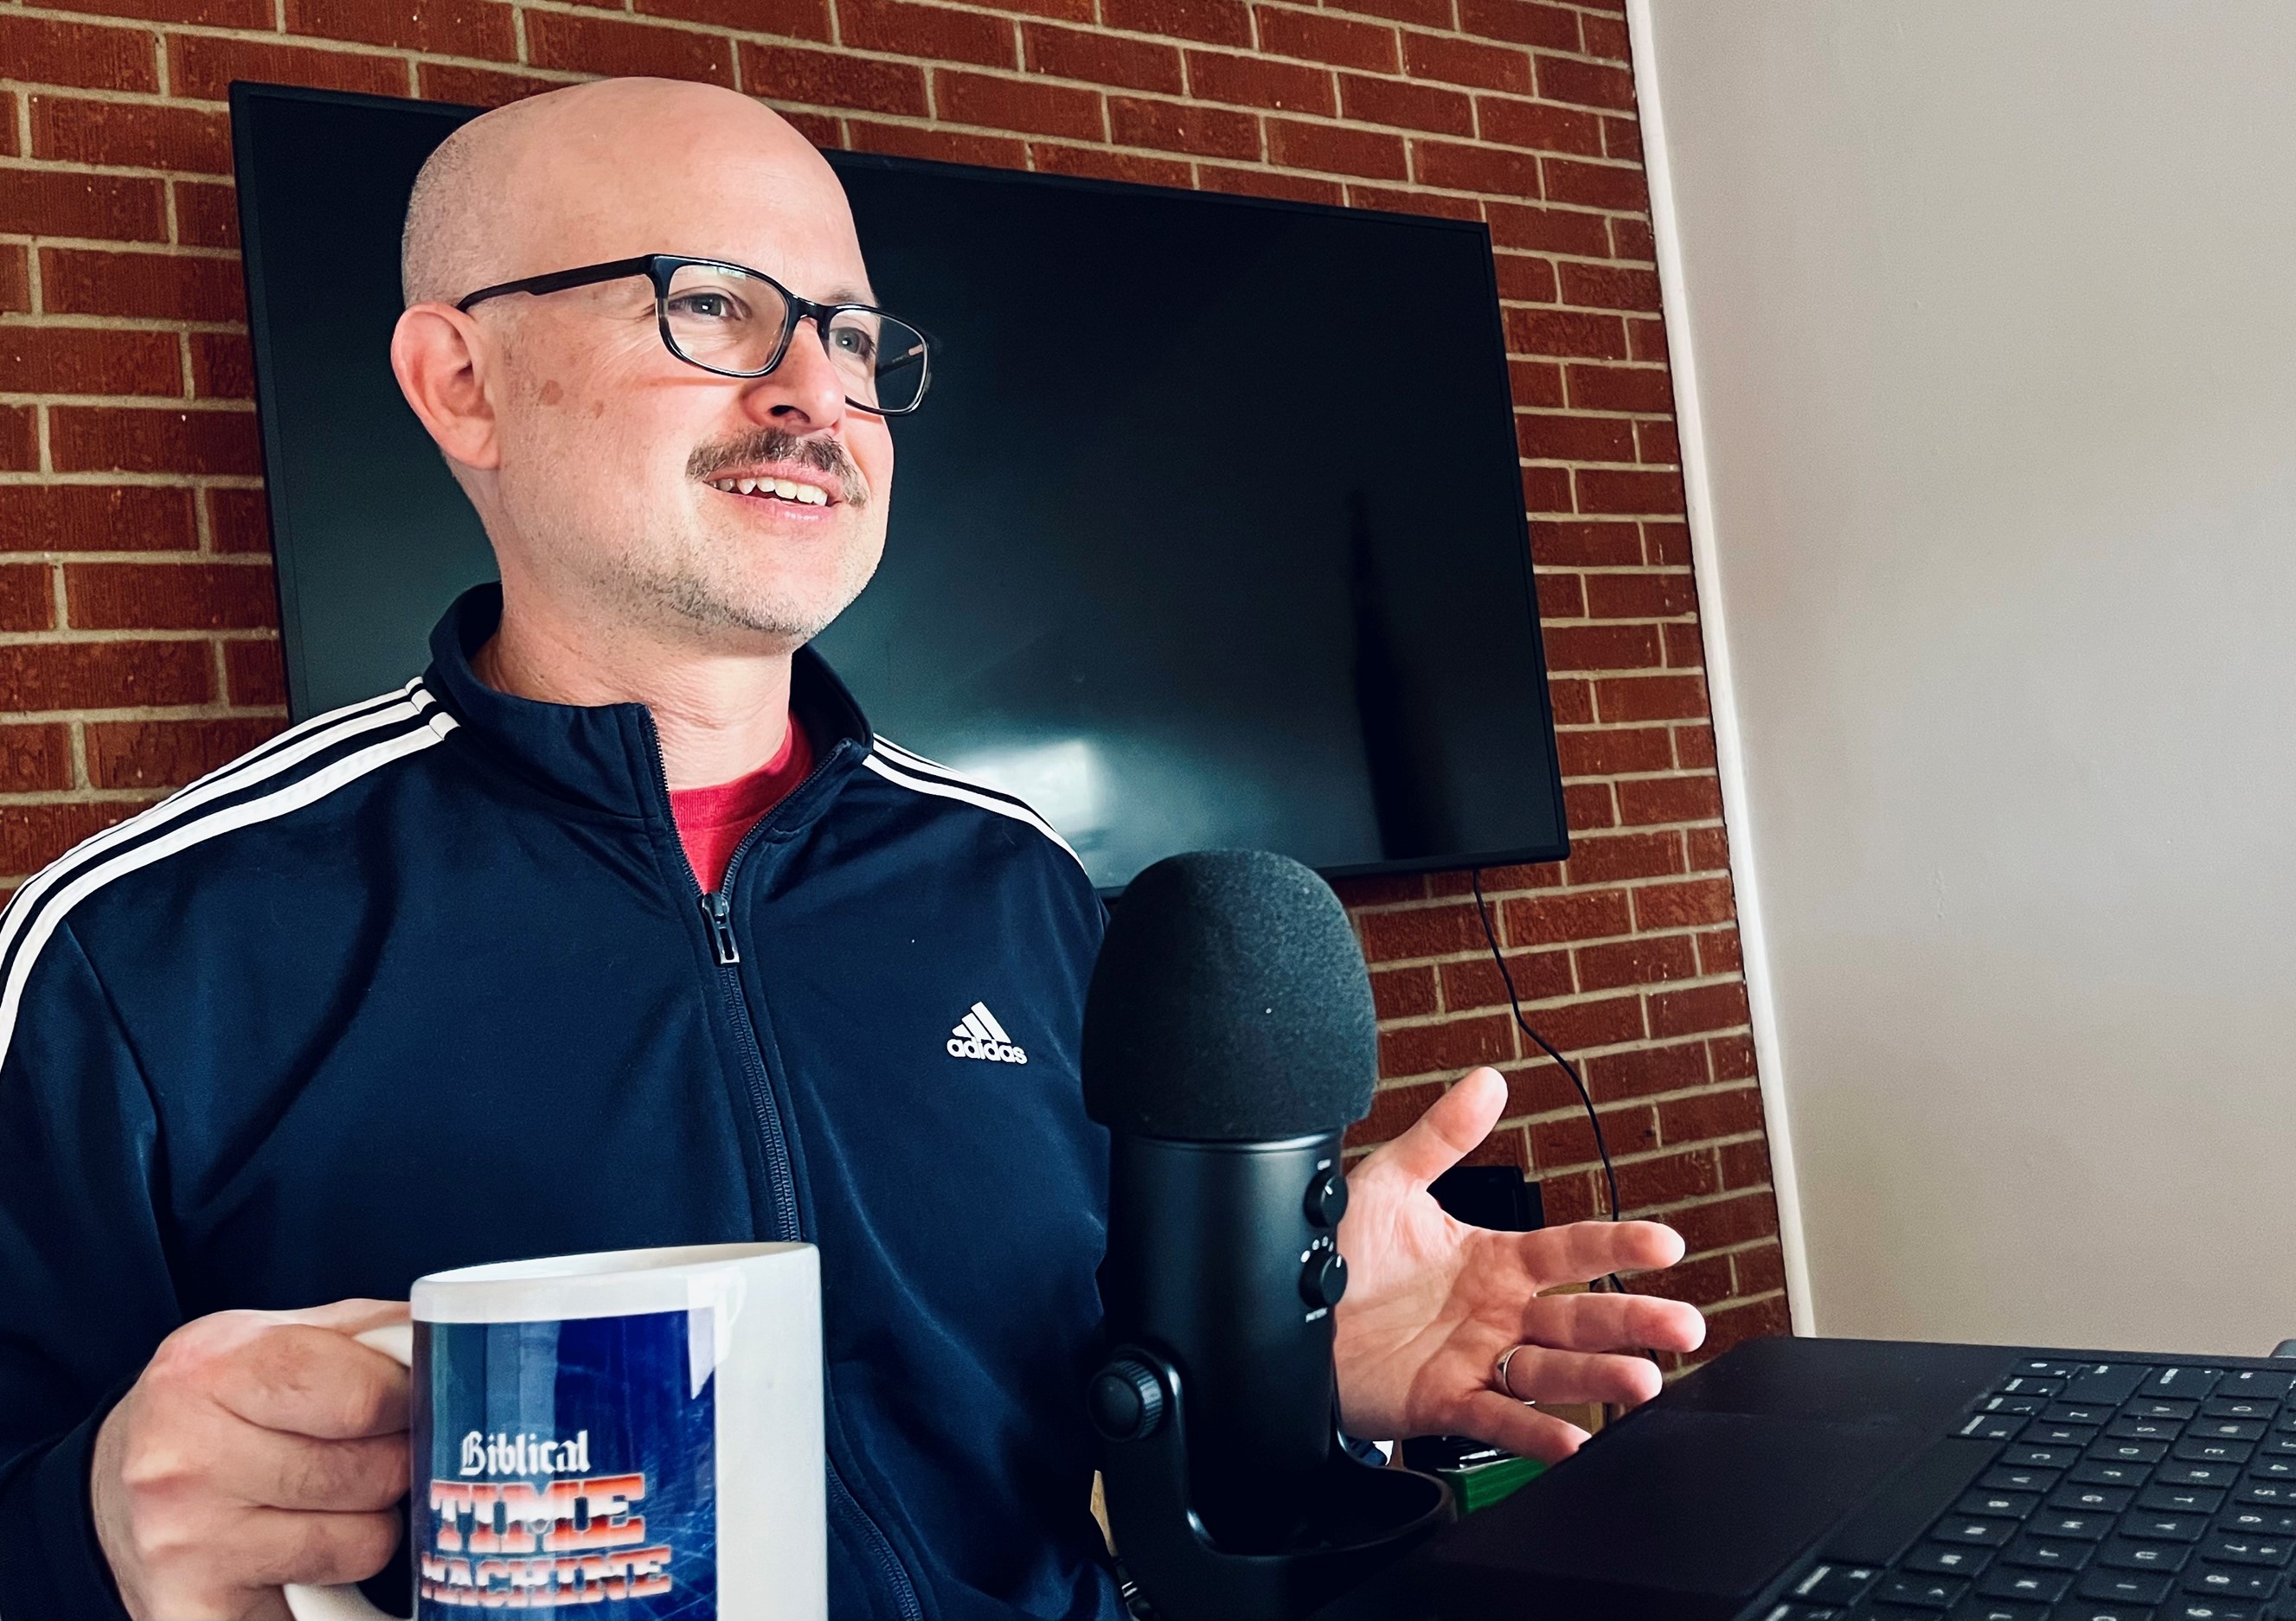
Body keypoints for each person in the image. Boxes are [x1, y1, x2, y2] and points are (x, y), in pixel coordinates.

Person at [0, 76, 1704, 1620]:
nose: (820, 391)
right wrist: (94, 1524)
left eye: (855, 337)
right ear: (463, 382)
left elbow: (1053, 1380)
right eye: (719, 309)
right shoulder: (140, 948)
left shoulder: (1022, 888)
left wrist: (1291, 1364)